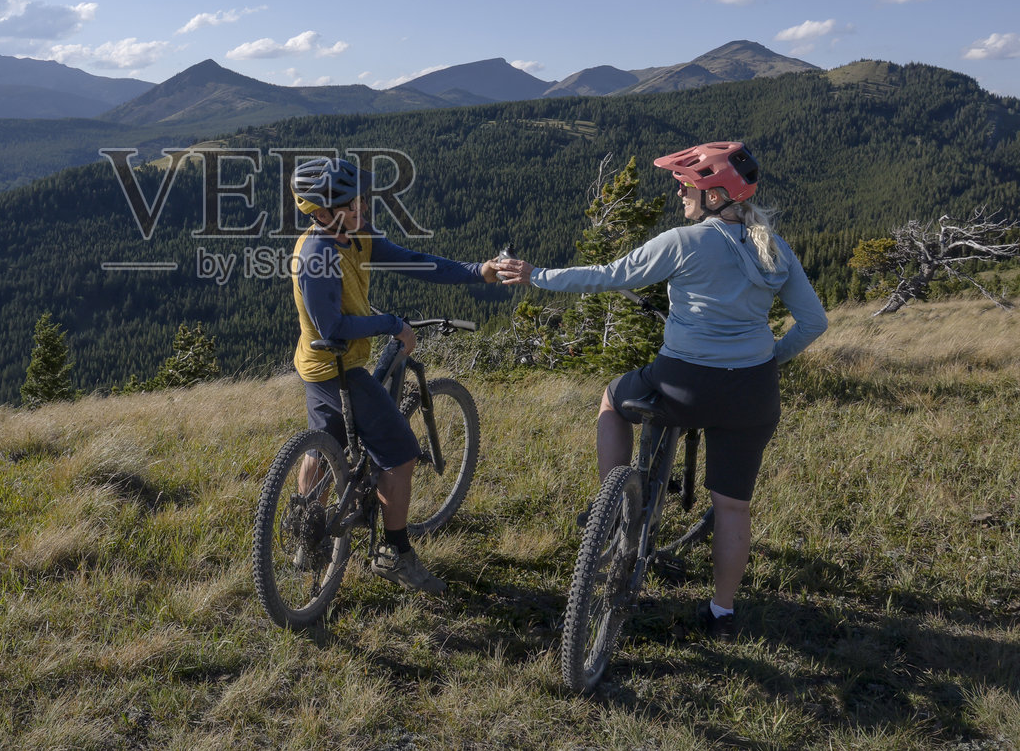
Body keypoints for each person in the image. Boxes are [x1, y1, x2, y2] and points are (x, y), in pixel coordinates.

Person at [499, 141, 827, 638]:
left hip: (683, 383)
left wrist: (537, 276)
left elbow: (610, 277)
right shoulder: (775, 247)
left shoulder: (684, 241)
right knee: (733, 507)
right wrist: (767, 361)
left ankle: (614, 506)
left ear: (714, 196)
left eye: (686, 187)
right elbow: (813, 322)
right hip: (752, 393)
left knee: (613, 399)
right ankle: (722, 612)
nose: (680, 196)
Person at [289, 156, 509, 594]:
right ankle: (394, 554)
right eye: (354, 203)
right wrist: (391, 323)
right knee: (401, 454)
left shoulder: (357, 236)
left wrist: (477, 272)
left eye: (362, 200)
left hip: (321, 369)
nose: (363, 208)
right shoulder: (316, 253)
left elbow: (415, 261)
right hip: (337, 369)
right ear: (325, 211)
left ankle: (304, 535)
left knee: (326, 442)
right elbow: (331, 328)